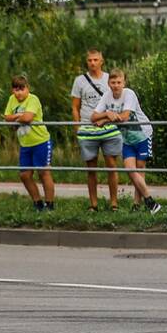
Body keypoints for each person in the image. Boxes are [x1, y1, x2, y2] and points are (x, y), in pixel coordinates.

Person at [91, 69, 162, 214]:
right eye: (113, 82)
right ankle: (151, 202)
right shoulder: (106, 96)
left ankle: (136, 205)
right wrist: (106, 113)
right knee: (130, 170)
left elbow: (124, 116)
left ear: (124, 83)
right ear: (108, 83)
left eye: (119, 82)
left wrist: (104, 120)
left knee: (139, 170)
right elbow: (93, 117)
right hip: (127, 139)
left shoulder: (129, 94)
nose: (116, 85)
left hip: (142, 134)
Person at [71, 48, 122, 211]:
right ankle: (93, 204)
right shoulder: (79, 81)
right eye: (89, 60)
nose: (92, 63)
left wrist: (108, 118)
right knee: (91, 168)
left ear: (101, 61)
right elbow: (75, 106)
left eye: (95, 60)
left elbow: (118, 101)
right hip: (87, 127)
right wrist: (77, 127)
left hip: (109, 127)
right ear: (87, 62)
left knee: (111, 166)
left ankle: (114, 203)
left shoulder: (110, 79)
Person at [4, 75, 55, 211]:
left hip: (40, 141)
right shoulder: (12, 100)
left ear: (28, 88)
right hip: (25, 144)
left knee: (44, 172)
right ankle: (37, 203)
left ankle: (49, 205)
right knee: (24, 175)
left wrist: (15, 118)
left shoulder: (33, 99)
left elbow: (28, 117)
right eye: (16, 89)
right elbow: (6, 117)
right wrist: (17, 116)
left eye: (22, 89)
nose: (19, 92)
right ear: (12, 90)